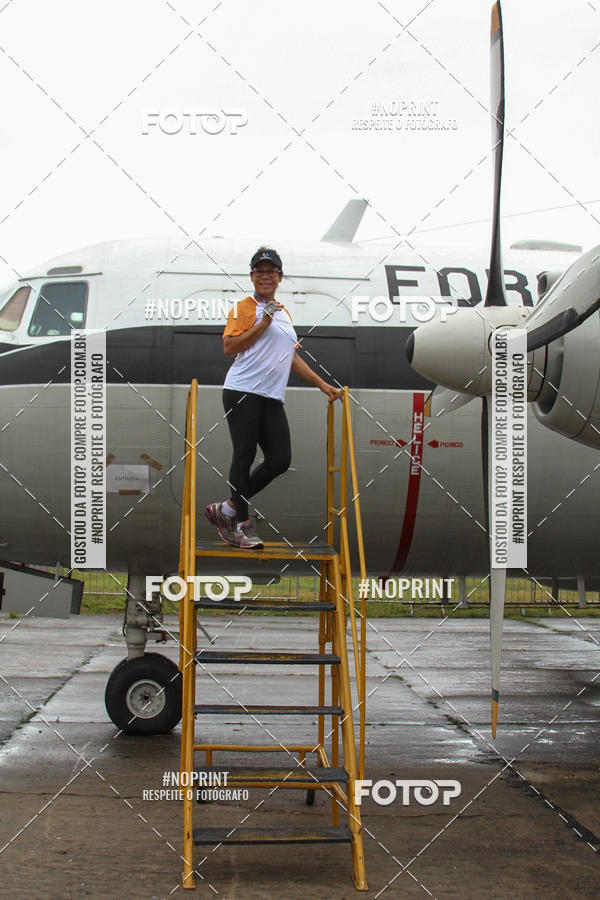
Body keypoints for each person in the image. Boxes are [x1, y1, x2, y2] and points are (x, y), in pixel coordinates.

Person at [205, 247, 339, 549]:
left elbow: (290, 356)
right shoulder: (245, 307)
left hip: (271, 396)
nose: (265, 276)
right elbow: (230, 347)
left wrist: (321, 384)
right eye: (259, 271)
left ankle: (226, 509)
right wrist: (262, 324)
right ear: (252, 277)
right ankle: (240, 524)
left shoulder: (284, 313)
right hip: (243, 391)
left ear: (279, 277)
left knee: (280, 460)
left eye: (271, 271)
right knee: (245, 454)